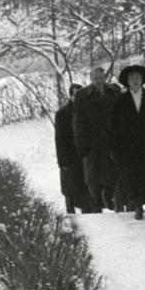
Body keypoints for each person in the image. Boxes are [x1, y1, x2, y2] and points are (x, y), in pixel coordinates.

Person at [109, 65, 145, 220]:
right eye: (132, 78)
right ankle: (137, 203)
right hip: (126, 147)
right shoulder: (120, 100)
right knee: (130, 176)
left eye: (138, 78)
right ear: (127, 81)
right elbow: (114, 126)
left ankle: (139, 201)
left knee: (143, 174)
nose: (135, 81)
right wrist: (114, 147)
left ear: (142, 80)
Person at [73, 66, 121, 212]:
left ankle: (109, 195)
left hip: (111, 139)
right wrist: (81, 143)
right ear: (91, 79)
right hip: (92, 141)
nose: (98, 81)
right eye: (95, 79)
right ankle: (96, 203)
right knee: (92, 175)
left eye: (101, 78)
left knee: (113, 172)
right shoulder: (82, 95)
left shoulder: (114, 91)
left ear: (105, 78)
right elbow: (78, 121)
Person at [55, 83, 91, 214]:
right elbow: (59, 140)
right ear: (71, 96)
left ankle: (89, 213)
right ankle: (71, 213)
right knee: (70, 189)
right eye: (76, 95)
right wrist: (63, 161)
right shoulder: (62, 114)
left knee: (86, 188)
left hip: (85, 156)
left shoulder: (88, 111)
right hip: (70, 157)